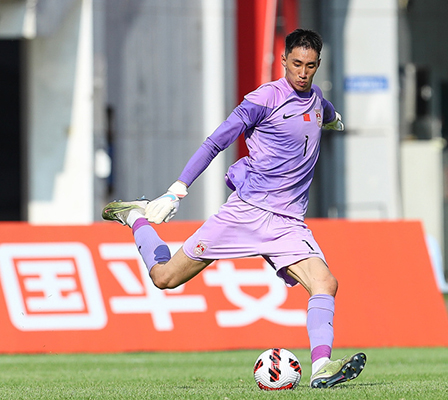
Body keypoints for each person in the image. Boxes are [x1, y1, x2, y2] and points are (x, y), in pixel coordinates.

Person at [102, 28, 366, 389]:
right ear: (283, 60)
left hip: (287, 222)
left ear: (318, 64)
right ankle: (135, 216)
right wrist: (176, 191)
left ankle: (321, 368)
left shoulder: (317, 99)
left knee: (325, 282)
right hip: (245, 213)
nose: (302, 73)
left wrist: (334, 119)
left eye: (310, 66)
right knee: (164, 278)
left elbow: (325, 112)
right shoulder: (263, 100)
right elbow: (215, 142)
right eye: (296, 64)